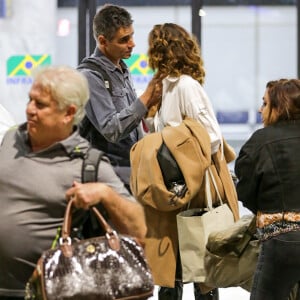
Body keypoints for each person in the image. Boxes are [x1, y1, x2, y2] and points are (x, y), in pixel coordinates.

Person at [0, 65, 147, 299]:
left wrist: (106, 195)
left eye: (40, 105)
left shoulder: (89, 163)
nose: (29, 110)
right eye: (30, 100)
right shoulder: (10, 139)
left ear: (68, 113)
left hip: (43, 293)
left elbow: (140, 230)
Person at [143, 23, 240, 300]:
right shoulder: (167, 87)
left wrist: (174, 147)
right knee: (173, 268)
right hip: (176, 189)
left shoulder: (186, 86)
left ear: (162, 49)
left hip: (193, 188)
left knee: (199, 268)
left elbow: (211, 137)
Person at [77, 4, 162, 190]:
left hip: (131, 171)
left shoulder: (122, 69)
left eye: (131, 35)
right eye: (124, 39)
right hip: (107, 177)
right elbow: (111, 130)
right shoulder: (90, 76)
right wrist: (145, 98)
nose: (132, 44)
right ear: (103, 41)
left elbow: (132, 124)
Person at [235, 79, 300, 300]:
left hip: (281, 242)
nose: (261, 109)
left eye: (264, 104)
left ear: (278, 107)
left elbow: (245, 191)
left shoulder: (260, 142)